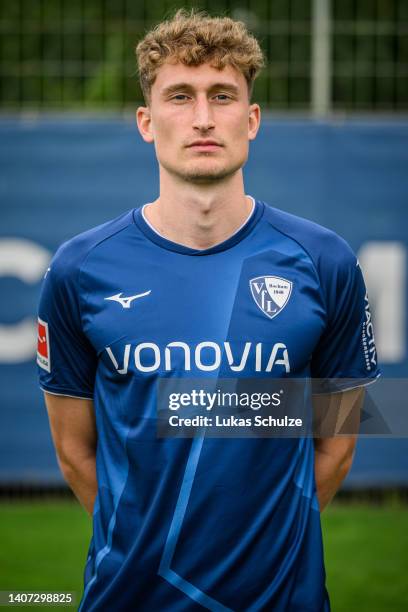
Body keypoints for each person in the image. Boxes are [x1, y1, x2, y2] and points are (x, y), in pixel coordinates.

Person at [37, 9, 380, 612]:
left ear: (251, 120)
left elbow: (338, 440)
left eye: (222, 96)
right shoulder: (78, 269)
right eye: (179, 96)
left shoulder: (324, 260)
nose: (202, 118)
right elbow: (74, 452)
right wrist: (150, 545)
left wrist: (270, 548)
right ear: (146, 121)